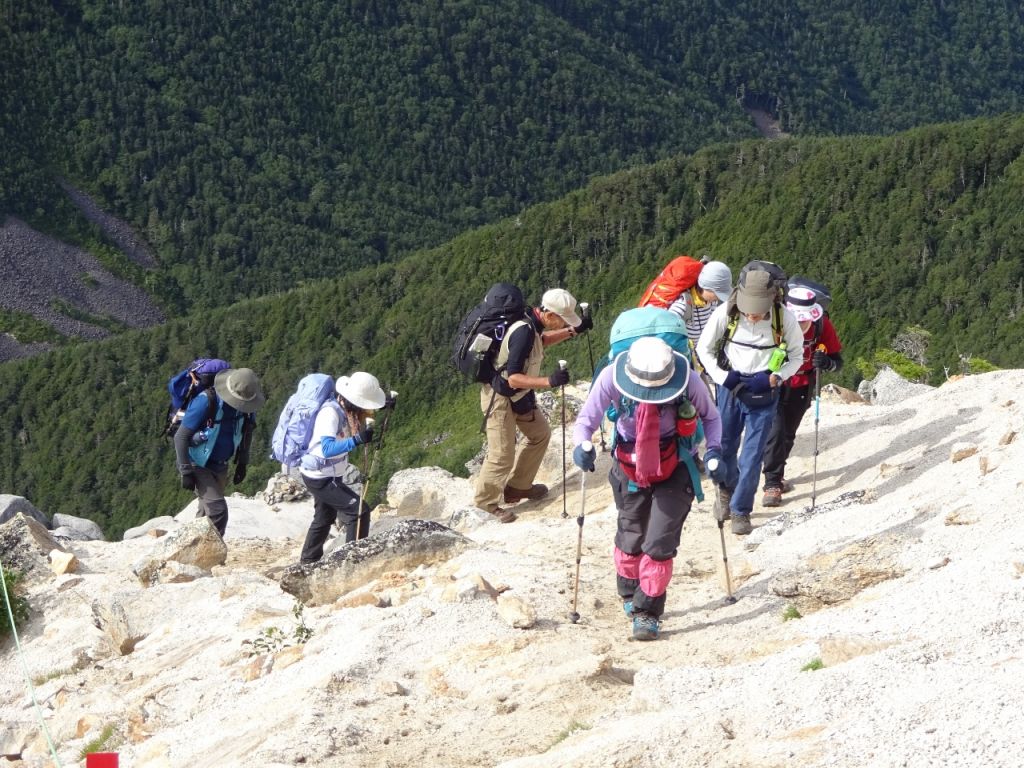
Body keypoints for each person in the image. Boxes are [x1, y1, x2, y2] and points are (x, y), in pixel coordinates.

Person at [572, 336, 722, 641]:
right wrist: (581, 445)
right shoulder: (610, 378)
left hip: (677, 465)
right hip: (629, 467)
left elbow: (712, 417)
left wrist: (715, 450)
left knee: (659, 542)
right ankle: (629, 589)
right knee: (631, 535)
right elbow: (586, 420)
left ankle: (647, 612)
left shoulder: (689, 381)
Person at [695, 269, 804, 535]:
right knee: (725, 446)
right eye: (747, 310)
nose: (750, 315)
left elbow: (797, 356)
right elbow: (703, 349)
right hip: (731, 386)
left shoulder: (784, 318)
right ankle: (725, 493)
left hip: (764, 390)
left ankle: (741, 510)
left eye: (755, 311)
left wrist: (776, 376)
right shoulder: (727, 312)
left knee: (753, 455)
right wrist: (723, 377)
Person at [473, 287, 590, 523]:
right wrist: (550, 381)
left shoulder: (532, 323)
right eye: (562, 320)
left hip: (518, 395)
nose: (562, 323)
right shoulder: (523, 331)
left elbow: (541, 342)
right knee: (502, 453)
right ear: (549, 314)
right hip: (500, 397)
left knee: (540, 434)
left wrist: (572, 331)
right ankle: (485, 503)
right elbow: (513, 376)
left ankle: (517, 487)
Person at [761, 286, 843, 506]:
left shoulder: (821, 325)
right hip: (774, 383)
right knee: (776, 432)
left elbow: (838, 361)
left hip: (802, 385)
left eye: (803, 321)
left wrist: (827, 363)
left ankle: (775, 474)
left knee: (787, 434)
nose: (800, 326)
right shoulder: (773, 323)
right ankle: (772, 483)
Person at [298, 372, 387, 563]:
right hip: (321, 476)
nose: (366, 409)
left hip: (326, 473)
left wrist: (385, 405)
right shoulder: (329, 414)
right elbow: (328, 449)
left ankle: (308, 561)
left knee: (324, 517)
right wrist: (356, 440)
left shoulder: (344, 408)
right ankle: (353, 561)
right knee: (359, 512)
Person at [175, 367, 264, 537]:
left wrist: (242, 462)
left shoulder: (246, 407)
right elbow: (180, 437)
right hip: (198, 463)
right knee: (218, 511)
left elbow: (247, 432)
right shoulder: (205, 401)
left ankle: (189, 547)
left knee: (205, 511)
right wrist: (185, 471)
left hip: (221, 464)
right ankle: (209, 555)